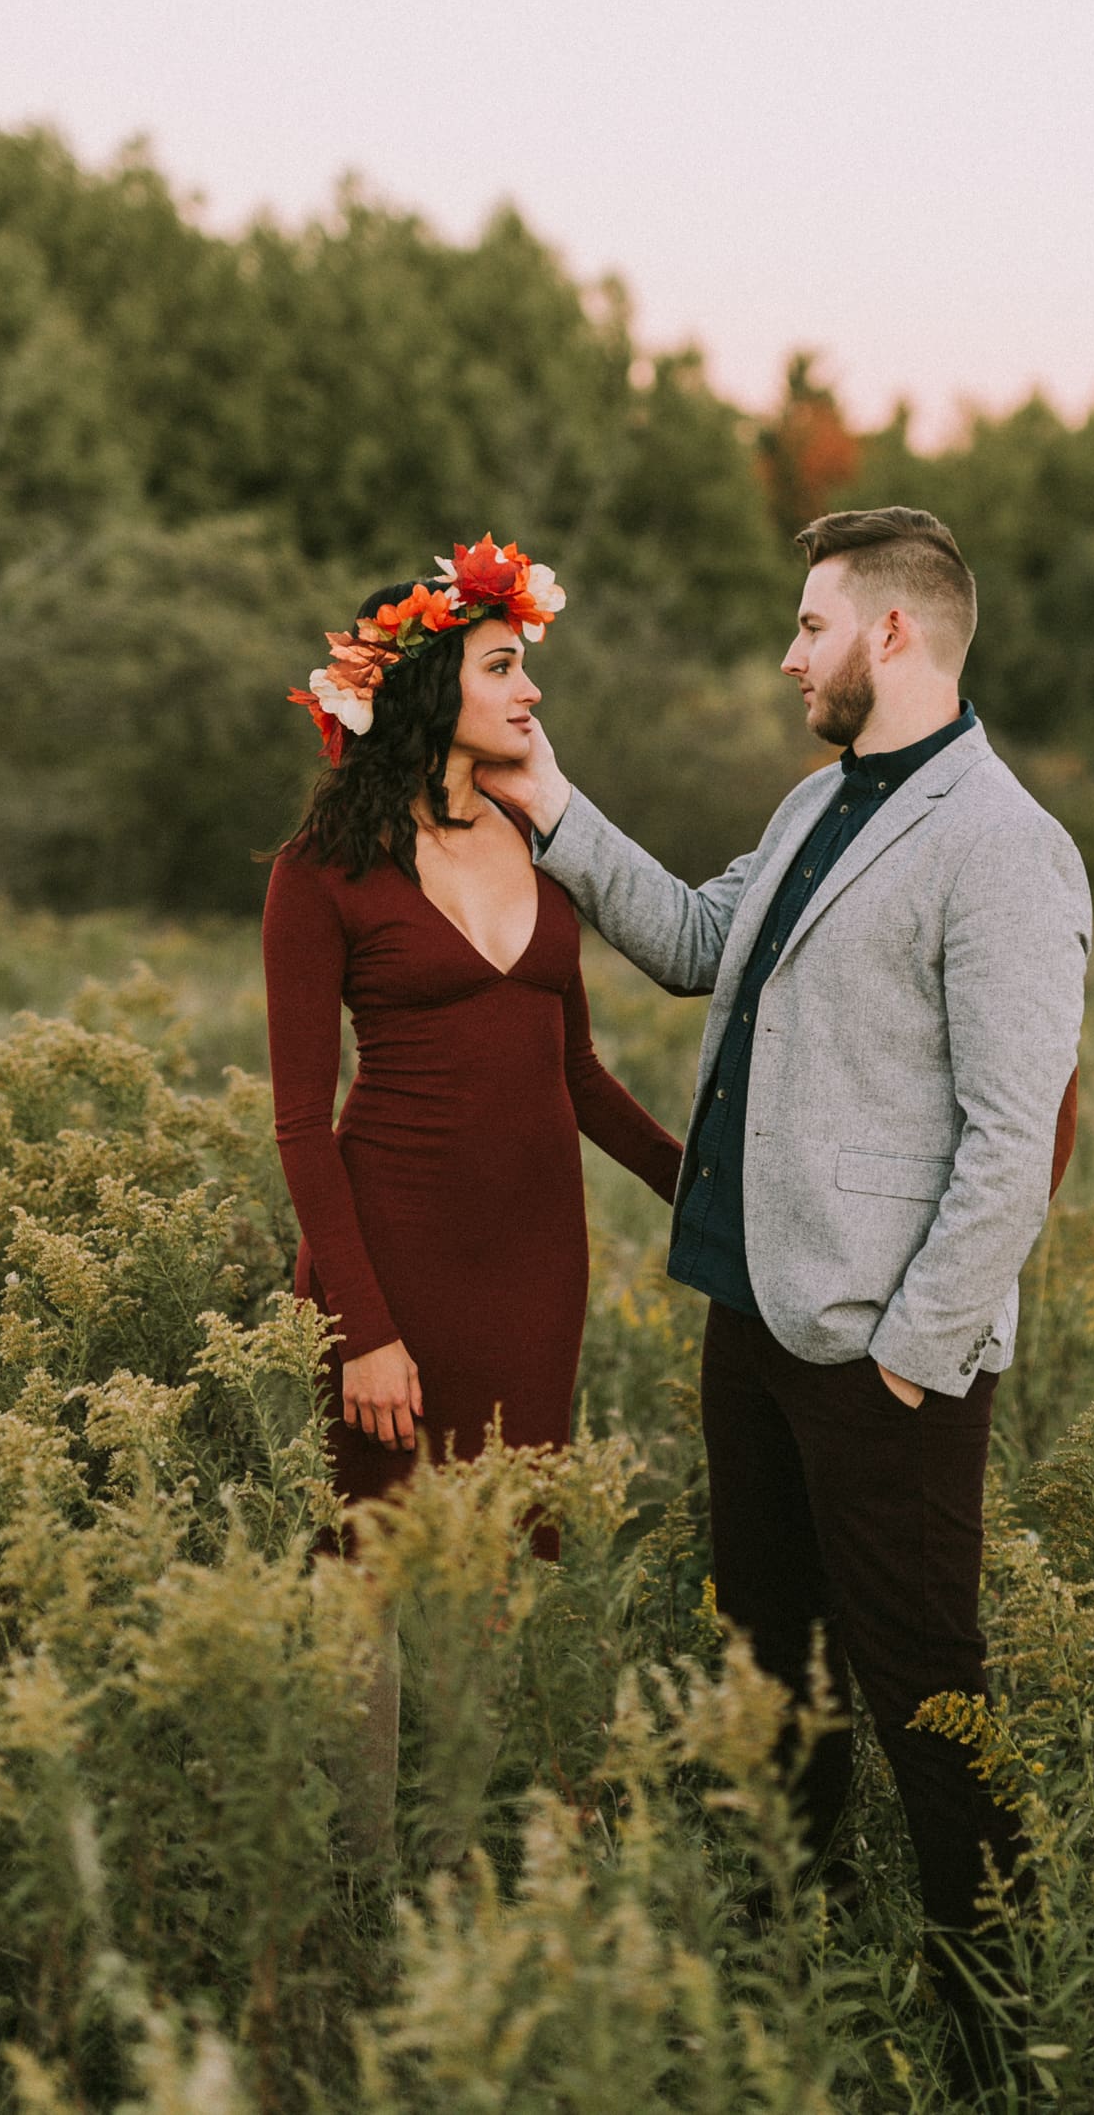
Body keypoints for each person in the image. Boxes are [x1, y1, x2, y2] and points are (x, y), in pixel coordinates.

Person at [479, 504, 1088, 2080]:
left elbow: (1012, 1139)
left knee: (923, 1698)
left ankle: (990, 2043)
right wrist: (545, 798)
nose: (785, 653)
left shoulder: (1003, 845)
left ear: (891, 634)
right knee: (774, 1673)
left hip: (881, 1352)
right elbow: (690, 938)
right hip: (748, 1319)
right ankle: (776, 1977)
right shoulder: (818, 798)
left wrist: (909, 1357)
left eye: (808, 626)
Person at [262, 533, 683, 1869]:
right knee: (372, 1568)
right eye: (505, 666)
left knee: (504, 1568)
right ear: (431, 681)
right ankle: (360, 1882)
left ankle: (469, 1866)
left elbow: (577, 1076)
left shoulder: (529, 836)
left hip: (533, 1271)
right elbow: (296, 1122)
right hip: (395, 1259)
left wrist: (710, 1189)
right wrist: (365, 1324)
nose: (531, 692)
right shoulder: (319, 870)